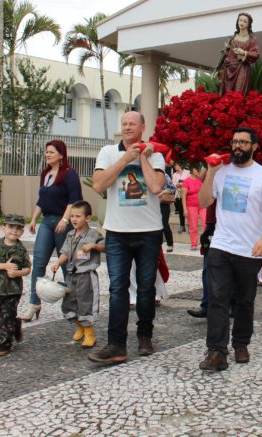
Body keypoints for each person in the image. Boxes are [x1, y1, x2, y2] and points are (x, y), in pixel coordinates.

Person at [197, 127, 262, 371]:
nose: (237, 146)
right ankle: (217, 351)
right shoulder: (221, 171)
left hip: (250, 249)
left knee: (244, 300)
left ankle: (241, 343)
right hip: (221, 245)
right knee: (217, 299)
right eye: (234, 142)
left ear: (254, 146)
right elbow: (204, 201)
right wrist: (211, 173)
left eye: (243, 142)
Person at [88, 111, 166, 365]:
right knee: (117, 288)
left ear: (143, 127)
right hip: (117, 232)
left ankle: (145, 336)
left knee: (146, 287)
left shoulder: (156, 155)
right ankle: (116, 343)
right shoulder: (108, 152)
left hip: (149, 231)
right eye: (124, 123)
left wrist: (142, 157)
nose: (128, 127)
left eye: (133, 123)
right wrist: (125, 159)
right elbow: (98, 185)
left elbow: (155, 187)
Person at [23, 141, 83, 321]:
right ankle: (34, 304)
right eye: (46, 152)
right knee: (38, 262)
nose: (47, 155)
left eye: (51, 152)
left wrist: (65, 220)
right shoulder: (45, 173)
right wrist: (33, 219)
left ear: (61, 154)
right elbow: (41, 200)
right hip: (47, 222)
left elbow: (74, 200)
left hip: (63, 222)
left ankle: (72, 305)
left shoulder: (69, 174)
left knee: (65, 263)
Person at [51, 201, 105, 348]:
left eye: (78, 216)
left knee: (85, 304)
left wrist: (94, 246)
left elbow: (106, 246)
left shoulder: (94, 234)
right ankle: (80, 327)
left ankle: (89, 334)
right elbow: (65, 252)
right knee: (69, 303)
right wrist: (58, 262)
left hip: (86, 276)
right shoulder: (70, 234)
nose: (74, 219)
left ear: (87, 218)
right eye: (72, 216)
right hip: (71, 275)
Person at [0, 214, 31, 357]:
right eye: (11, 227)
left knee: (6, 316)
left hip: (12, 290)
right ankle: (15, 325)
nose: (14, 230)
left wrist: (17, 273)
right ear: (3, 228)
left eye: (18, 228)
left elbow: (27, 269)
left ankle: (4, 343)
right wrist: (4, 266)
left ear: (22, 231)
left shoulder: (21, 250)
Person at [217, 12, 260, 94]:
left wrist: (243, 52)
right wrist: (226, 50)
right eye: (240, 20)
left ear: (248, 24)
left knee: (239, 92)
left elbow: (256, 54)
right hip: (229, 69)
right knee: (227, 94)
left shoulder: (252, 39)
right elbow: (226, 54)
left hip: (242, 68)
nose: (242, 23)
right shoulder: (232, 39)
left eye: (245, 21)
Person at [181, 165, 207, 250]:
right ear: (192, 170)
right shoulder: (187, 181)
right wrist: (185, 209)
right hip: (191, 206)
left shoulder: (200, 180)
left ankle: (206, 243)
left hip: (202, 205)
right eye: (197, 169)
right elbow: (183, 196)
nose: (198, 171)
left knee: (206, 224)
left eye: (199, 169)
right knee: (193, 226)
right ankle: (194, 244)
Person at [158, 171, 176, 252]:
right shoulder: (147, 174)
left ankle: (170, 244)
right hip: (152, 204)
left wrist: (164, 191)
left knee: (164, 223)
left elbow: (173, 189)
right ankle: (158, 244)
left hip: (163, 203)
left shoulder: (164, 175)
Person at [171, 162, 189, 232]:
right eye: (174, 165)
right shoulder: (174, 175)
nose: (175, 167)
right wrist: (177, 184)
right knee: (181, 211)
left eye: (176, 165)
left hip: (187, 193)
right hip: (178, 194)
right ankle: (182, 225)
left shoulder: (187, 172)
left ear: (180, 165)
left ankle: (190, 225)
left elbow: (190, 181)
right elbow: (173, 184)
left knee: (189, 210)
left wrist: (184, 184)